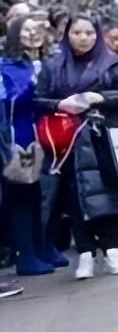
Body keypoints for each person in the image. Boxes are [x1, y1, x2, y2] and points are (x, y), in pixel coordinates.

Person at [35, 14, 118, 280]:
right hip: (67, 140)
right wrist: (60, 105)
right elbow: (39, 99)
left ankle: (112, 250)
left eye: (89, 33)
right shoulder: (53, 66)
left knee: (110, 191)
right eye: (77, 33)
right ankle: (85, 252)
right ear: (67, 35)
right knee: (74, 195)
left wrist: (99, 98)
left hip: (104, 137)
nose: (84, 38)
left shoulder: (112, 62)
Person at [2, 15, 62, 275]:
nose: (32, 34)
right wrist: (34, 87)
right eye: (26, 30)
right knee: (23, 196)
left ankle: (44, 246)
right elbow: (10, 103)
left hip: (47, 136)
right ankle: (26, 254)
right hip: (21, 138)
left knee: (47, 196)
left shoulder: (45, 63)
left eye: (36, 29)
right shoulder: (6, 66)